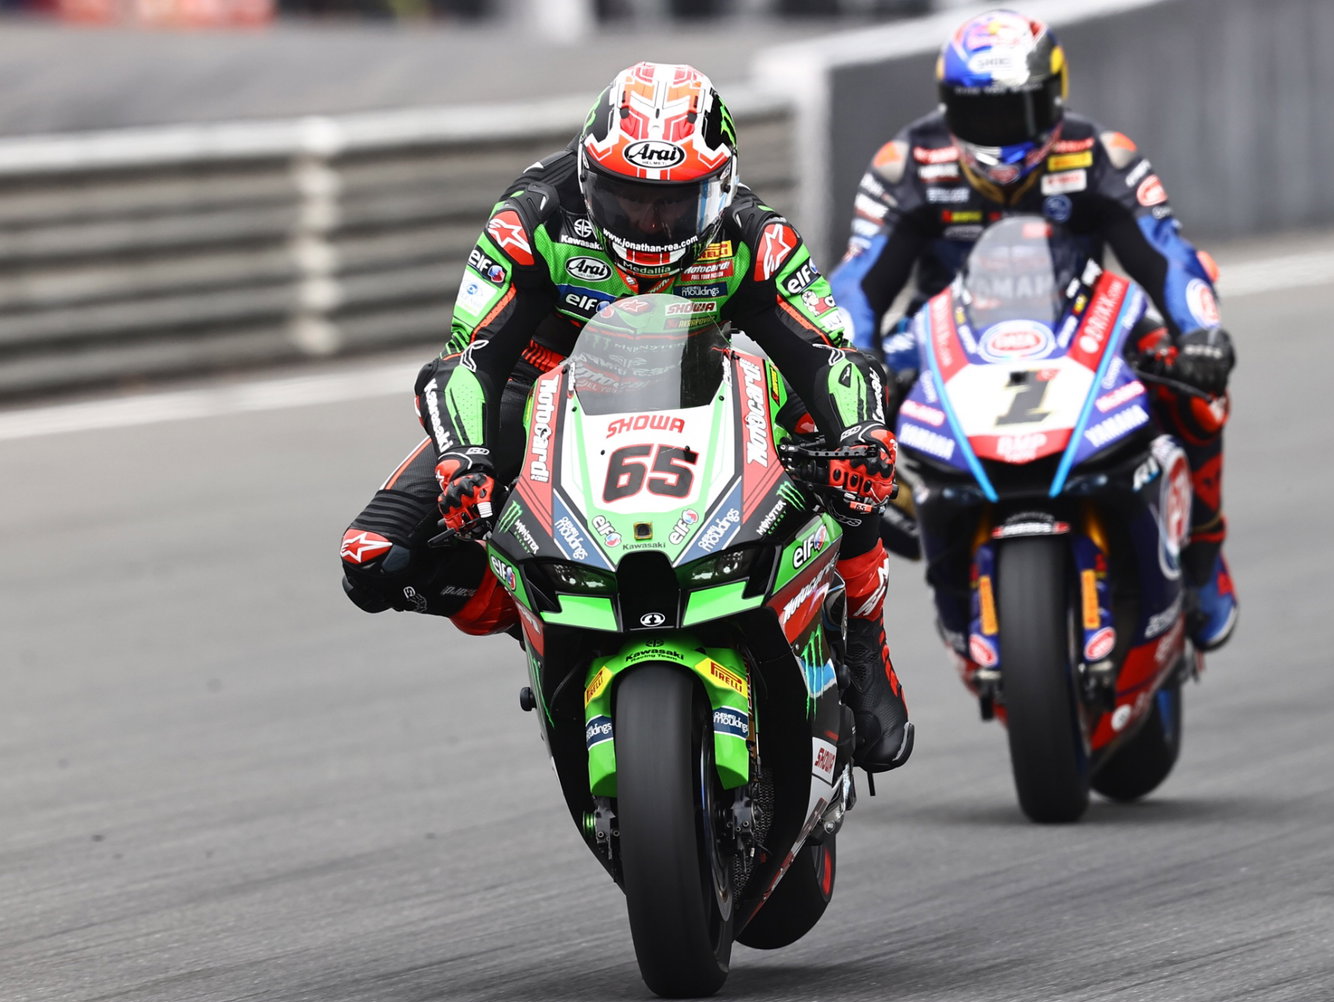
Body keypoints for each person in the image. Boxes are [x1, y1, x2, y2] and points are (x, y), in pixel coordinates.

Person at [339, 62, 914, 771]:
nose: (649, 223)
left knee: (853, 450)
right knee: (373, 560)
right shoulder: (532, 218)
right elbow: (468, 360)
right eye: (626, 199)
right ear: (587, 176)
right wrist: (465, 459)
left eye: (674, 204)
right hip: (547, 384)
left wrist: (861, 435)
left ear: (721, 187)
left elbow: (831, 355)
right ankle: (548, 619)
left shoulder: (753, 236)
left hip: (706, 379)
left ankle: (862, 642)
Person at [829, 8, 1238, 656]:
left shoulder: (1101, 155)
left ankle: (1204, 550)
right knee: (832, 426)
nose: (1000, 135)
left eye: (1016, 112)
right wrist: (851, 360)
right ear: (948, 107)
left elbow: (1167, 252)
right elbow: (857, 280)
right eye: (980, 115)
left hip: (1083, 320)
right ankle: (886, 603)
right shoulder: (906, 165)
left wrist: (1200, 331)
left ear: (1053, 98)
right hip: (947, 336)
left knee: (1199, 386)